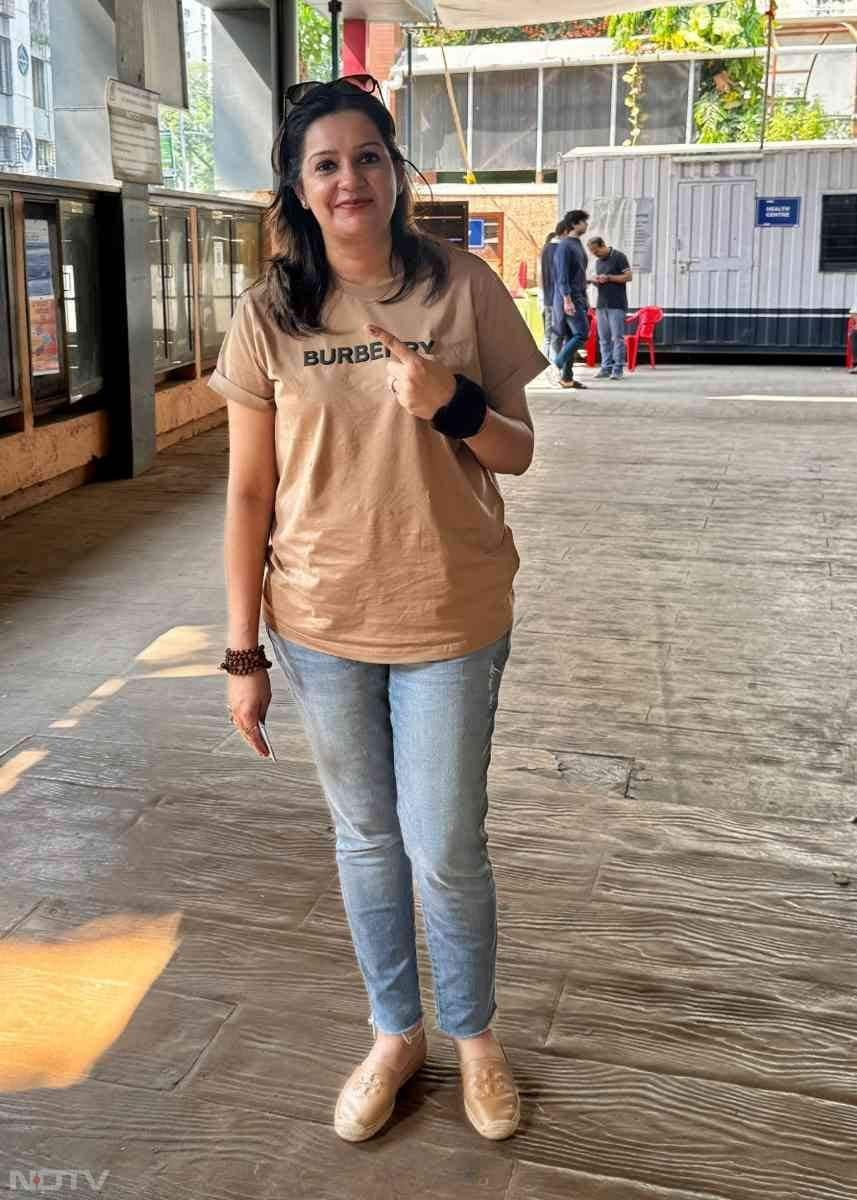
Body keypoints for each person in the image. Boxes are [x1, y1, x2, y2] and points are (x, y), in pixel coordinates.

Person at [210, 75, 547, 1146]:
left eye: (366, 157)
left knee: (443, 842)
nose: (348, 178)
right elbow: (249, 493)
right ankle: (395, 1033)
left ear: (395, 173)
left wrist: (447, 401)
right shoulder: (270, 316)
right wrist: (239, 652)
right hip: (317, 621)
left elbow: (517, 451)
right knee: (365, 841)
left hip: (449, 611)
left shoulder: (463, 287)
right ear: (299, 190)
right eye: (324, 164)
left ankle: (475, 1038)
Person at [552, 209, 590, 390]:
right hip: (570, 297)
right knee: (582, 333)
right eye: (584, 221)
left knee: (570, 337)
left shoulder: (576, 244)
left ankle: (566, 379)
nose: (586, 225)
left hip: (578, 296)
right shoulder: (565, 246)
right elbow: (562, 276)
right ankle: (557, 363)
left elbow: (577, 273)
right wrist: (567, 299)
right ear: (574, 224)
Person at [587, 236, 633, 381]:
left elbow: (628, 276)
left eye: (596, 251)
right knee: (604, 339)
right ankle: (605, 368)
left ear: (603, 245)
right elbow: (603, 281)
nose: (595, 254)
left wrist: (608, 278)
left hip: (617, 305)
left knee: (617, 338)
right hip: (601, 305)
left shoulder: (619, 257)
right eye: (592, 252)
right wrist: (595, 281)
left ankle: (618, 369)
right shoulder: (598, 262)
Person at [539, 219, 565, 361]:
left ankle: (545, 363)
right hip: (559, 299)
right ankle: (556, 364)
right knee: (558, 335)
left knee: (548, 335)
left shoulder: (545, 251)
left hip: (547, 298)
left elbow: (541, 277)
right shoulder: (562, 250)